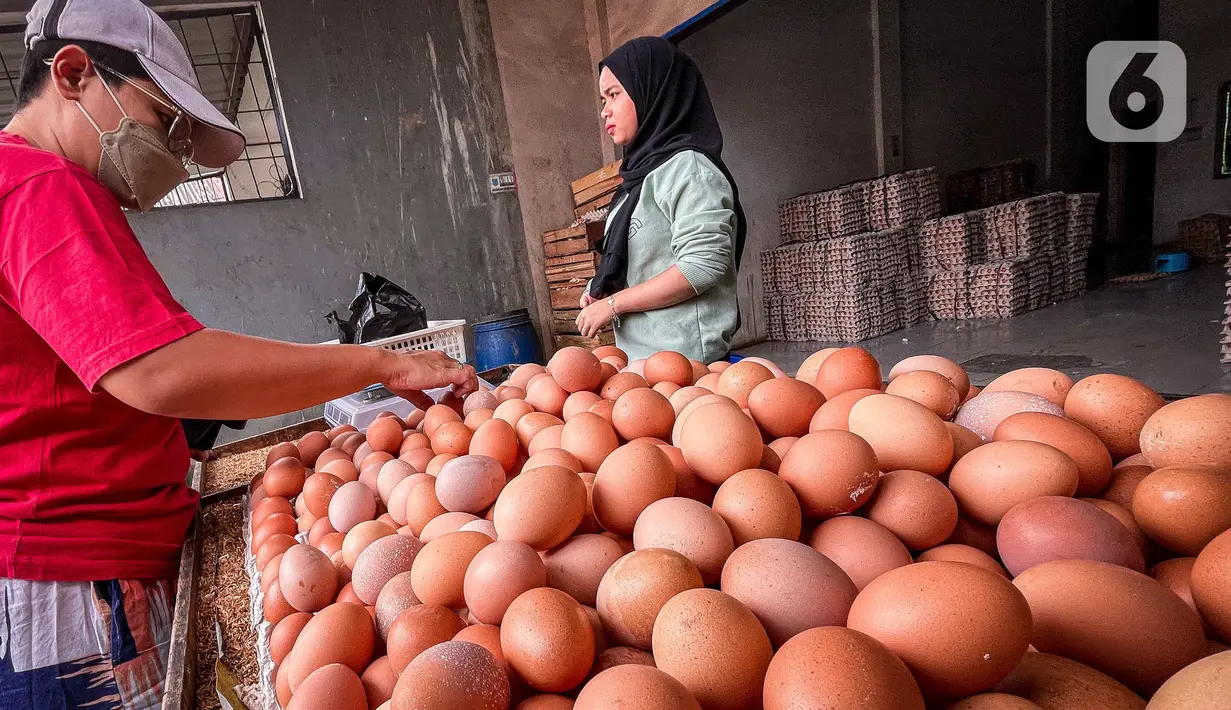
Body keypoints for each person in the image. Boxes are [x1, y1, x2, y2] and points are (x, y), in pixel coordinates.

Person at [0, 2, 474, 707]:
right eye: (163, 121)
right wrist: (380, 363)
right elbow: (159, 370)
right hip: (77, 564)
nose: (173, 153)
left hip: (77, 550)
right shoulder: (40, 186)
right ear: (73, 73)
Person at [575, 36, 746, 364]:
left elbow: (701, 266)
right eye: (602, 98)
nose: (604, 110)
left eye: (614, 95)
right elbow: (646, 262)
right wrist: (603, 289)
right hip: (643, 360)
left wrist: (614, 305)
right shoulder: (640, 174)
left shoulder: (690, 170)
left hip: (687, 365)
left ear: (651, 91)